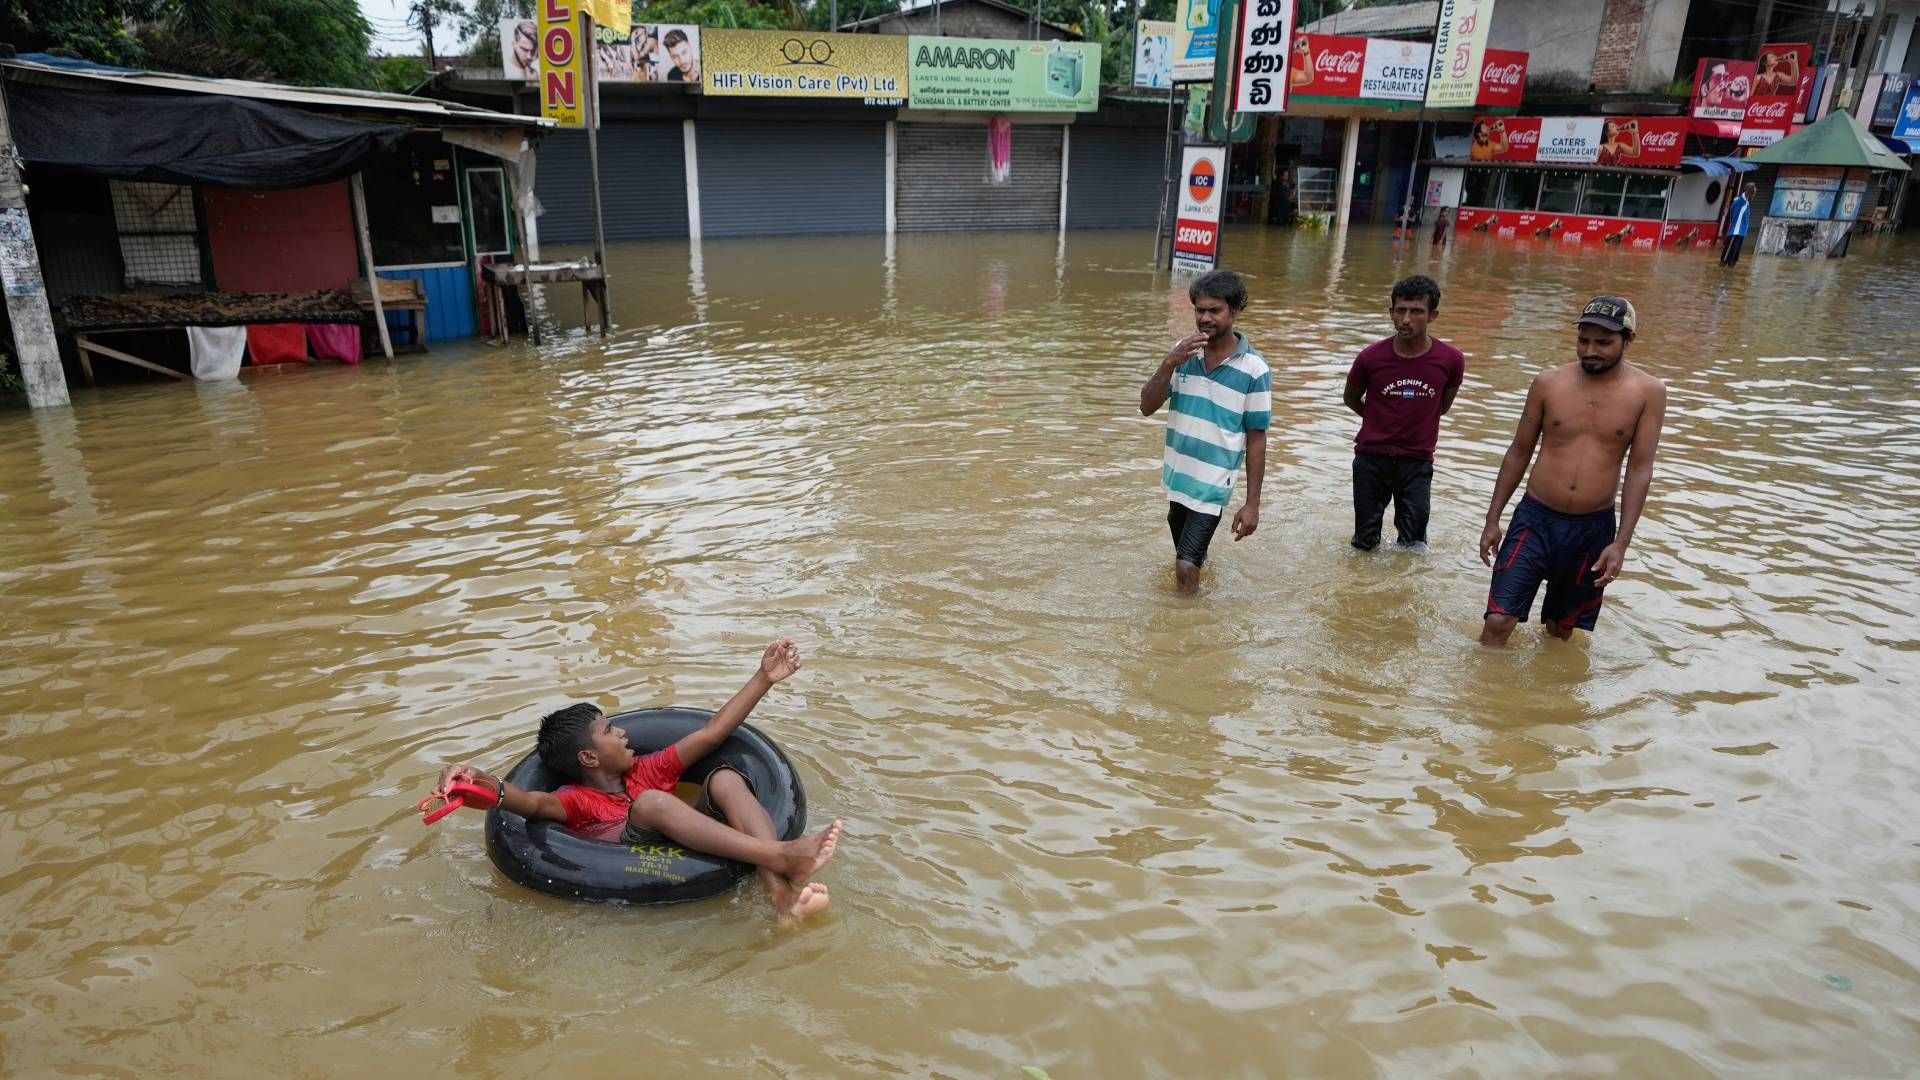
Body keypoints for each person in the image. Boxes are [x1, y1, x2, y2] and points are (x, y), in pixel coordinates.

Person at [429, 640, 843, 920]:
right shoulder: (574, 801)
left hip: (686, 832)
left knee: (726, 778)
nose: (624, 733)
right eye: (610, 730)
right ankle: (783, 855)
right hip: (632, 852)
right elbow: (522, 800)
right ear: (588, 756)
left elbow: (712, 733)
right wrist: (473, 780)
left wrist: (764, 678)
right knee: (652, 804)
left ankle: (780, 892)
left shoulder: (650, 768)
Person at [1478, 296, 1667, 646]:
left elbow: (1640, 470)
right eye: (1584, 340)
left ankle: (1543, 699)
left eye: (1603, 342)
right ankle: (1478, 697)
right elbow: (1519, 452)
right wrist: (1493, 519)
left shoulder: (1648, 392)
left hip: (1591, 529)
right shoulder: (1548, 383)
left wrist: (1621, 544)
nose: (1590, 350)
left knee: (1560, 631)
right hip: (1533, 520)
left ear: (1629, 341)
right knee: (1499, 621)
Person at [1139, 270, 1271, 594]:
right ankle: (1202, 594)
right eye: (1200, 310)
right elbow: (1146, 405)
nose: (1205, 318)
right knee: (1189, 558)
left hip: (1213, 483)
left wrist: (1252, 504)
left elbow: (1256, 440)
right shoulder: (1183, 354)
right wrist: (1169, 362)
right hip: (1178, 477)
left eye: (1215, 310)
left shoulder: (1254, 370)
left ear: (1235, 310)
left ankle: (1183, 635)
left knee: (1185, 567)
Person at [1343, 275, 1465, 552]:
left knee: (1414, 545)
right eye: (1400, 310)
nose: (1406, 319)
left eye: (1416, 311)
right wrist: (1377, 420)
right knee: (1364, 543)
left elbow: (1441, 407)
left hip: (1417, 461)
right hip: (1371, 458)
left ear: (1432, 315)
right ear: (1391, 313)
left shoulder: (1451, 360)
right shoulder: (1370, 357)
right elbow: (1350, 397)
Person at [1722, 183, 1754, 266]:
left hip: (1741, 233)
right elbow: (1732, 214)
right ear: (1749, 192)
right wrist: (1734, 226)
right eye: (1753, 193)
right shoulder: (1740, 201)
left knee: (1733, 259)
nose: (1754, 195)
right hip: (1735, 232)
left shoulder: (1747, 202)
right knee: (1725, 259)